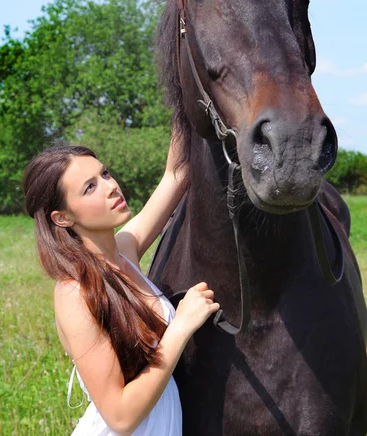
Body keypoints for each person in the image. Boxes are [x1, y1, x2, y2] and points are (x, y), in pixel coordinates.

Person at [23, 136, 220, 436]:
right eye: (90, 187)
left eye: (104, 174)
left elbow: (176, 175)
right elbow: (121, 417)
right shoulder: (75, 292)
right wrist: (180, 327)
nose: (110, 186)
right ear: (62, 218)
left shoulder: (124, 252)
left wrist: (188, 98)